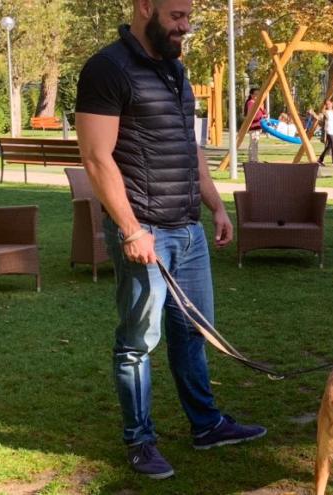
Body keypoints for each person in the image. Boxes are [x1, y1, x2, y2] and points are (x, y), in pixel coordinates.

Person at [74, 0, 266, 480]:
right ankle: (139, 440)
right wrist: (131, 228)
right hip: (145, 231)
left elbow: (189, 147)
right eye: (177, 16)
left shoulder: (176, 71)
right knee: (138, 342)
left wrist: (216, 206)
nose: (186, 26)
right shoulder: (106, 69)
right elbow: (97, 158)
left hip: (188, 227)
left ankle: (206, 425)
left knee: (194, 332)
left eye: (188, 17)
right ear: (145, 8)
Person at [245, 88, 267, 163]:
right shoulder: (251, 103)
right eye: (256, 94)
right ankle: (253, 160)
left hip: (258, 126)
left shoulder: (258, 103)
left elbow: (264, 113)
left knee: (255, 143)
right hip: (254, 126)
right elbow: (251, 116)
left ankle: (253, 159)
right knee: (253, 143)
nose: (257, 96)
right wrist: (261, 117)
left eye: (259, 94)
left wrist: (262, 110)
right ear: (252, 95)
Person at [316, 100, 333, 167]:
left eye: (329, 104)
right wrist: (313, 113)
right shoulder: (325, 112)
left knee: (328, 147)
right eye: (326, 104)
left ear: (332, 103)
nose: (328, 105)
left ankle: (320, 159)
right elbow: (319, 116)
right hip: (329, 130)